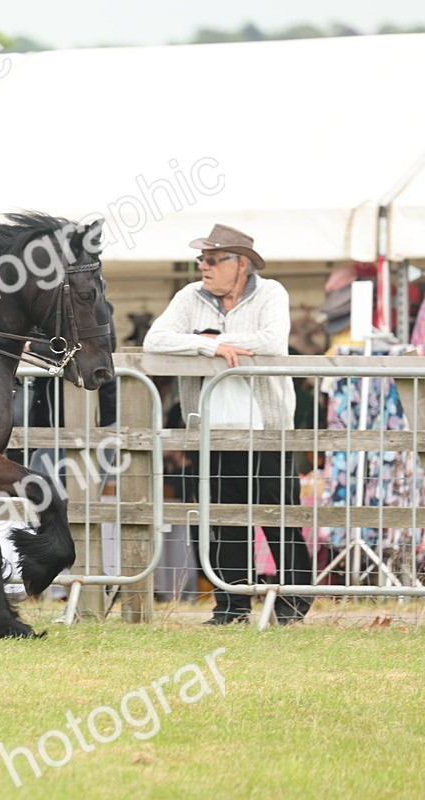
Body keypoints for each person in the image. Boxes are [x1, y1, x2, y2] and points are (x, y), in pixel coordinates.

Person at [143, 224, 314, 625]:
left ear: (241, 264)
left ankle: (293, 605)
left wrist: (211, 335)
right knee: (220, 522)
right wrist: (211, 345)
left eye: (212, 259)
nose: (203, 266)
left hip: (267, 430)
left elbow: (273, 341)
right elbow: (155, 339)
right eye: (200, 259)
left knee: (280, 519)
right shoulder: (189, 295)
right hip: (211, 431)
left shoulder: (271, 292)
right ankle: (231, 607)